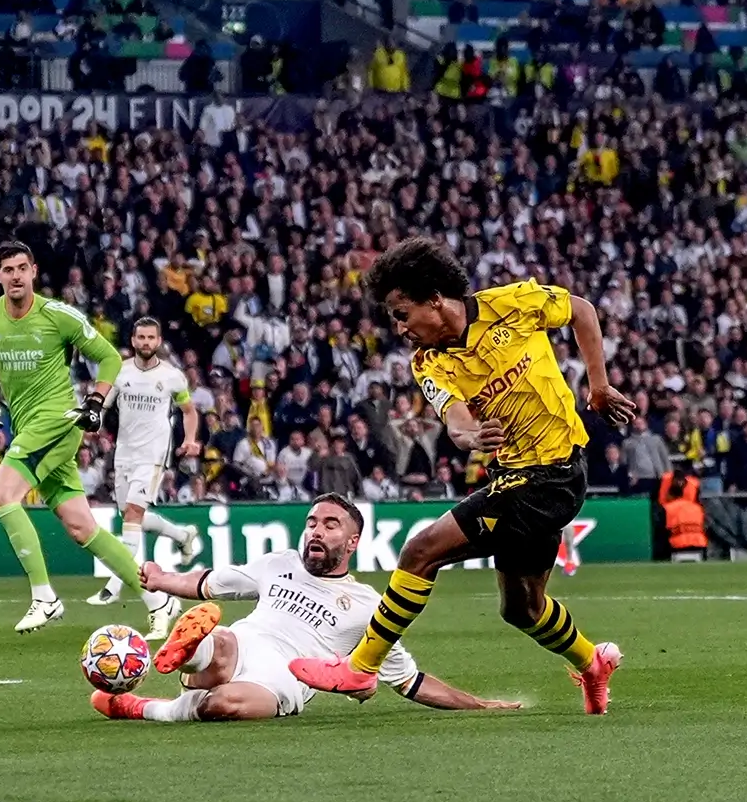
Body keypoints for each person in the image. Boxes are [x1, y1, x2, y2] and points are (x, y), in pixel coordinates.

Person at [289, 237, 638, 714]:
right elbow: (453, 415)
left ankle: (361, 666)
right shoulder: (429, 361)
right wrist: (468, 433)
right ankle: (592, 662)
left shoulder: (511, 305)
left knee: (419, 551)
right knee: (522, 608)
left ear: (435, 298)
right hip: (518, 479)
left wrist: (597, 385)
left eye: (402, 312)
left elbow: (580, 309)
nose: (400, 327)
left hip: (551, 474)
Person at [95, 495, 515, 722]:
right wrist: (162, 579)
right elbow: (208, 583)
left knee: (225, 705)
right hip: (245, 642)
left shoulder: (370, 605)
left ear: (352, 543)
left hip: (285, 677)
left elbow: (410, 681)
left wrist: (478, 704)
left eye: (330, 525)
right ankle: (192, 651)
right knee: (220, 643)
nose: (316, 530)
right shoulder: (279, 563)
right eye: (312, 522)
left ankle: (147, 707)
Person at [0, 239, 147, 633]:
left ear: (33, 271)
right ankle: (158, 596)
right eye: (7, 270)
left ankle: (43, 596)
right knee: (82, 527)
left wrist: (96, 402)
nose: (15, 276)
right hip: (25, 423)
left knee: (0, 496)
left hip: (56, 421)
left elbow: (112, 357)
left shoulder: (58, 315)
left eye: (22, 268)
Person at [86, 316, 207, 639]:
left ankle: (116, 585)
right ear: (133, 339)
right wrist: (93, 430)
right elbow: (102, 407)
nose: (145, 343)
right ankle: (183, 536)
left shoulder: (171, 376)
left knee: (132, 517)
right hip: (124, 454)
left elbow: (189, 411)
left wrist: (189, 440)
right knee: (133, 517)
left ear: (158, 340)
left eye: (151, 337)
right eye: (140, 337)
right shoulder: (121, 372)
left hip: (153, 456)